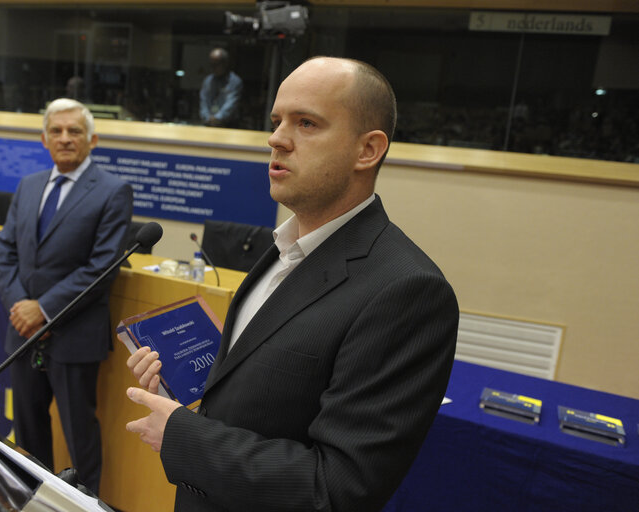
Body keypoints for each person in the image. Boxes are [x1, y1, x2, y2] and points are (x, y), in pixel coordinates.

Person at [125, 57, 459, 511]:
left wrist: (183, 435)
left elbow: (338, 488)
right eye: (277, 120)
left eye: (306, 123)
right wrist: (183, 386)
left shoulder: (407, 291)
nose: (276, 139)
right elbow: (264, 399)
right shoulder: (282, 248)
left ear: (368, 150)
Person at [0, 98, 133, 494]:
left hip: (73, 337)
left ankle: (82, 505)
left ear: (93, 139)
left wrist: (45, 310)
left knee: (79, 439)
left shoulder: (113, 191)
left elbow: (102, 267)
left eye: (74, 131)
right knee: (28, 432)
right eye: (56, 131)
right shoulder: (29, 184)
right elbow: (5, 251)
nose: (65, 138)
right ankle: (32, 501)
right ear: (43, 139)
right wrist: (22, 309)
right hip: (24, 335)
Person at [199, 48, 243, 128]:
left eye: (216, 65)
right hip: (208, 123)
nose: (212, 68)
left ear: (225, 64)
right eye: (211, 64)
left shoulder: (235, 81)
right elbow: (204, 101)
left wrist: (217, 118)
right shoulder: (208, 80)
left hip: (227, 125)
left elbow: (231, 103)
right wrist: (207, 118)